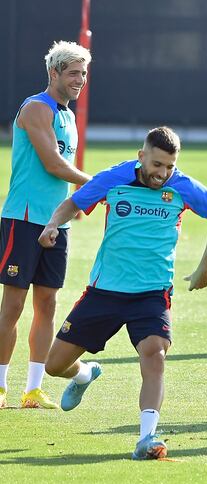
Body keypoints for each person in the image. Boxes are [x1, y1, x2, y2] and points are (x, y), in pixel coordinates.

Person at [40, 127, 207, 460]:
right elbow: (72, 203)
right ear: (141, 156)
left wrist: (204, 269)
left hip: (151, 294)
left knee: (154, 354)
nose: (163, 174)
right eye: (157, 164)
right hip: (104, 292)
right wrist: (53, 224)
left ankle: (147, 437)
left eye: (170, 166)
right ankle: (85, 374)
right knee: (54, 366)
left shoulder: (182, 187)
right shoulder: (114, 179)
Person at [0, 41, 93, 410]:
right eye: (73, 72)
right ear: (53, 72)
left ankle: (33, 389)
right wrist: (96, 185)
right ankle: (1, 385)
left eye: (83, 73)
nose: (80, 80)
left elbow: (63, 172)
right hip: (23, 219)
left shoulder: (67, 115)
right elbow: (53, 164)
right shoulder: (36, 108)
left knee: (48, 303)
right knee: (13, 306)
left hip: (57, 224)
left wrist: (76, 204)